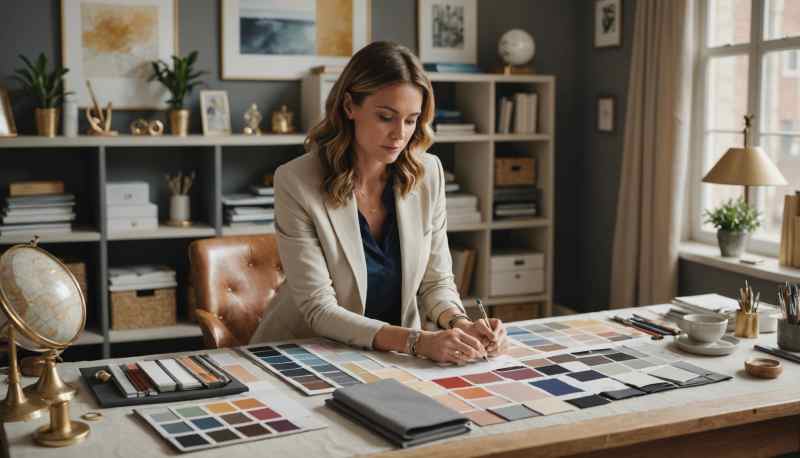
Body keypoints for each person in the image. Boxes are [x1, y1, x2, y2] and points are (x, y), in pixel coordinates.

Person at [250, 41, 509, 363]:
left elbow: (436, 282)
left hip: (393, 354)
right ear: (349, 106)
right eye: (386, 117)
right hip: (306, 349)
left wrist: (461, 323)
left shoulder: (429, 173)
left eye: (412, 119)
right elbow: (319, 309)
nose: (400, 134)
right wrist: (418, 341)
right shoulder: (297, 181)